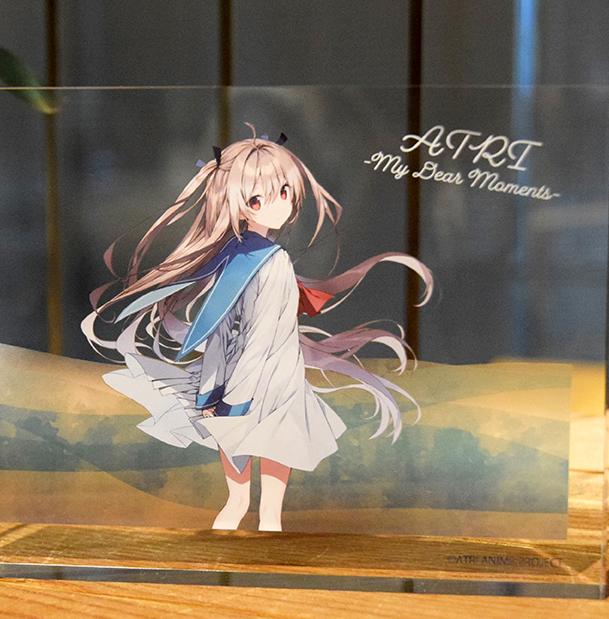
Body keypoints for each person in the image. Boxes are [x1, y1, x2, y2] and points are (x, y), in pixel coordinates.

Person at [82, 131, 433, 531]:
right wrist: (222, 390)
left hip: (266, 378)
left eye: (284, 192)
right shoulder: (246, 257)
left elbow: (256, 335)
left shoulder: (251, 258)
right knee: (253, 477)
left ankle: (252, 528)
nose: (280, 204)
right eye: (257, 199)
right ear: (238, 204)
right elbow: (231, 331)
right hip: (255, 377)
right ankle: (245, 528)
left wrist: (222, 390)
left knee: (254, 479)